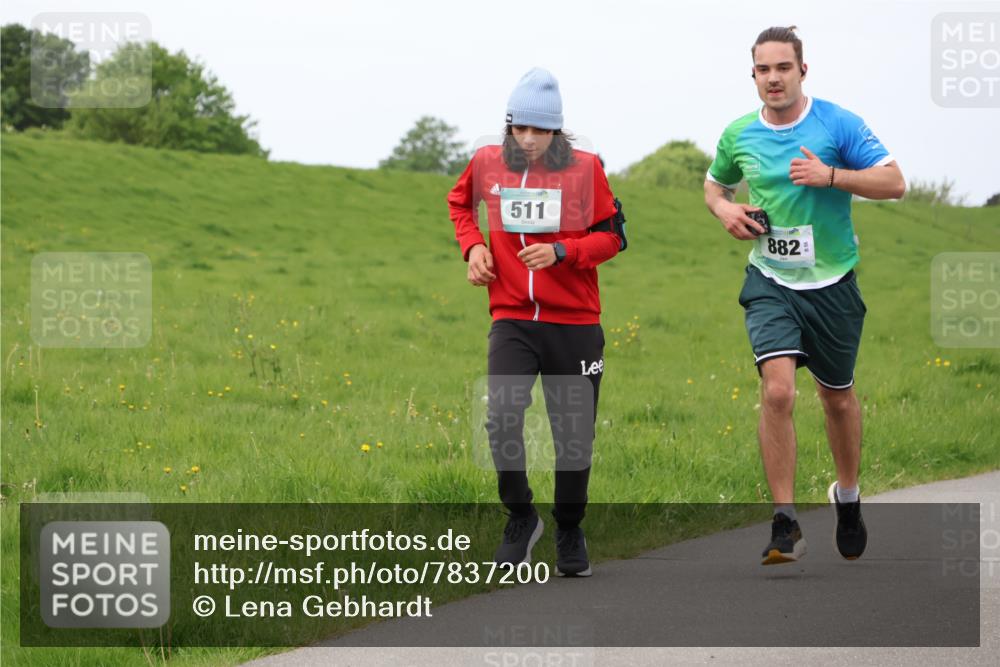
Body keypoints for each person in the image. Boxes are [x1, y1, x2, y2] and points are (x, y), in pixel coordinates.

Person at [703, 26, 905, 565]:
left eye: (783, 68)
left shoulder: (838, 123)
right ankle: (785, 521)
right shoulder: (739, 134)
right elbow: (714, 185)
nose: (773, 78)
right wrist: (726, 210)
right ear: (753, 76)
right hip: (770, 280)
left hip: (834, 283)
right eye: (763, 70)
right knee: (777, 393)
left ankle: (847, 495)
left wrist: (831, 175)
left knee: (836, 398)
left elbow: (895, 183)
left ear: (802, 71)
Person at [446, 67, 627, 577]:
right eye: (518, 128)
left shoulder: (586, 169)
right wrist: (474, 246)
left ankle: (569, 526)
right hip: (512, 318)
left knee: (573, 435)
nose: (527, 140)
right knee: (501, 415)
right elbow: (459, 204)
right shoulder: (485, 162)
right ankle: (521, 517)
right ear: (508, 126)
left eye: (539, 131)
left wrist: (564, 251)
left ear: (556, 131)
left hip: (574, 323)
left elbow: (613, 237)